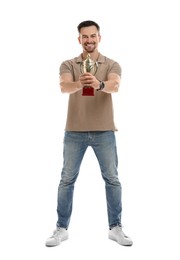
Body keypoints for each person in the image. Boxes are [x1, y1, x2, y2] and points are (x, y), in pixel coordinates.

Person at [45, 20, 133, 247]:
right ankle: (61, 228)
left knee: (112, 179)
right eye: (85, 37)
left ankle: (115, 227)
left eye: (93, 36)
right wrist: (80, 83)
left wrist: (99, 84)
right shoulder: (68, 64)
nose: (89, 40)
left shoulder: (111, 64)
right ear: (79, 40)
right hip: (74, 131)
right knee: (67, 180)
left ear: (99, 38)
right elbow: (64, 86)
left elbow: (115, 85)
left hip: (104, 131)